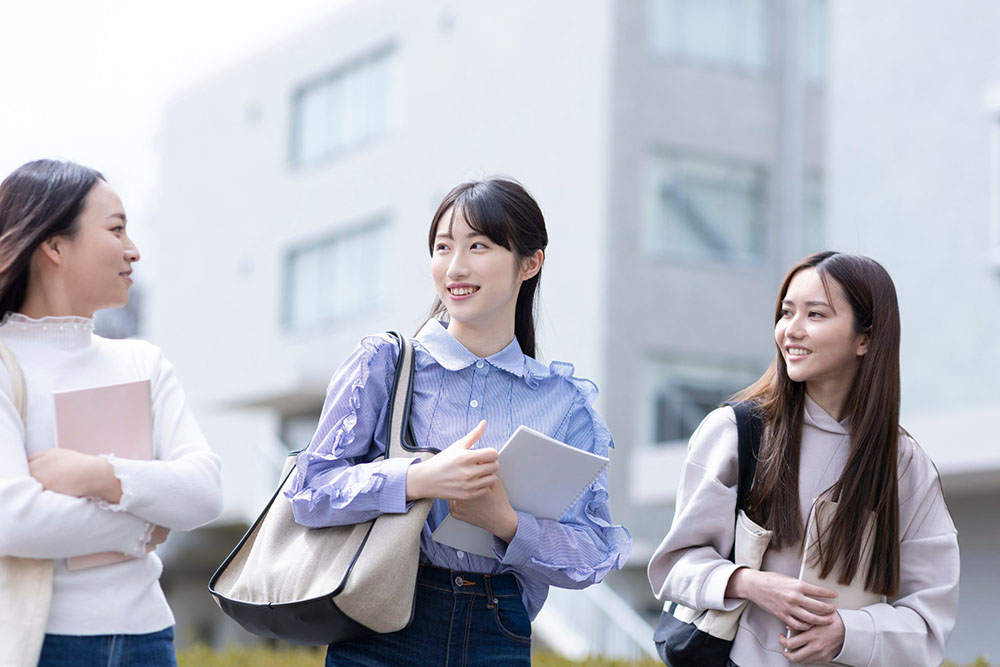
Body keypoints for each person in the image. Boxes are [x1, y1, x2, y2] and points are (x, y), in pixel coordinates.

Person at [286, 177, 631, 666]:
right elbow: (308, 490)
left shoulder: (564, 403)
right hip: (383, 617)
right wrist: (415, 478)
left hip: (498, 628)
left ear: (529, 263)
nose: (455, 266)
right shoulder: (384, 364)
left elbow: (593, 554)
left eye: (478, 246)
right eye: (442, 246)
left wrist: (506, 523)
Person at [648, 251, 959, 666]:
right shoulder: (736, 431)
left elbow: (928, 617)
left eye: (815, 315)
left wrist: (848, 633)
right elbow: (673, 566)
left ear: (865, 338)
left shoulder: (904, 464)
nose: (790, 330)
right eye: (786, 312)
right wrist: (750, 583)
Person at [0, 160, 223, 666]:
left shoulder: (141, 361)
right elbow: (13, 520)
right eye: (116, 229)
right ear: (54, 245)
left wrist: (101, 475)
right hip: (39, 645)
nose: (133, 250)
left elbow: (204, 490)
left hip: (149, 640)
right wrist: (142, 527)